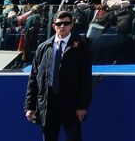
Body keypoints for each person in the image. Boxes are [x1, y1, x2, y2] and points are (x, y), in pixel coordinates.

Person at [25, 10, 92, 141]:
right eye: (59, 23)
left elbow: (85, 79)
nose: (62, 26)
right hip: (48, 101)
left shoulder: (81, 46)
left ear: (71, 25)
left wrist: (82, 106)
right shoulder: (43, 47)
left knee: (74, 138)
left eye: (66, 23)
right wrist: (30, 106)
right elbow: (33, 78)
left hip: (70, 102)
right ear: (53, 26)